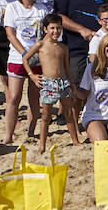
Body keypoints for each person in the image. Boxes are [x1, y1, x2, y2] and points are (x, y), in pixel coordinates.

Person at [21, 13, 79, 151]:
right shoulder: (40, 45)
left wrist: (72, 84)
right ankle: (42, 145)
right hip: (48, 83)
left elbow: (66, 67)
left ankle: (75, 141)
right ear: (45, 29)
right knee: (46, 116)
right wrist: (32, 76)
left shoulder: (63, 47)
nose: (56, 31)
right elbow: (25, 59)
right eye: (52, 28)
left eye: (58, 28)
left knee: (69, 113)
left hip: (63, 82)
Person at [3, 0, 46, 143]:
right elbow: (10, 34)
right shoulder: (13, 7)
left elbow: (46, 33)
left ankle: (31, 132)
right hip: (17, 57)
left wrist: (36, 53)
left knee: (34, 98)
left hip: (38, 58)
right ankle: (8, 136)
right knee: (13, 97)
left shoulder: (42, 9)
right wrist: (24, 54)